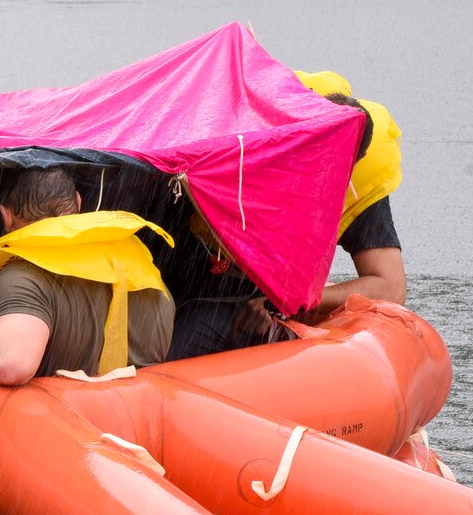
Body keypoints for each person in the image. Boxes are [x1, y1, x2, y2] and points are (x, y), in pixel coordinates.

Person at [167, 71, 403, 357]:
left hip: (259, 298)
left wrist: (291, 302)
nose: (322, 180)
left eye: (335, 172)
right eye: (317, 165)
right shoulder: (248, 138)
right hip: (188, 259)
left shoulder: (359, 171)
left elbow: (390, 287)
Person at [0, 169, 174, 386]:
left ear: (6, 217)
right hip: (139, 427)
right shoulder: (142, 267)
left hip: (53, 431)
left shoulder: (25, 274)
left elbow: (8, 362)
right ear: (77, 201)